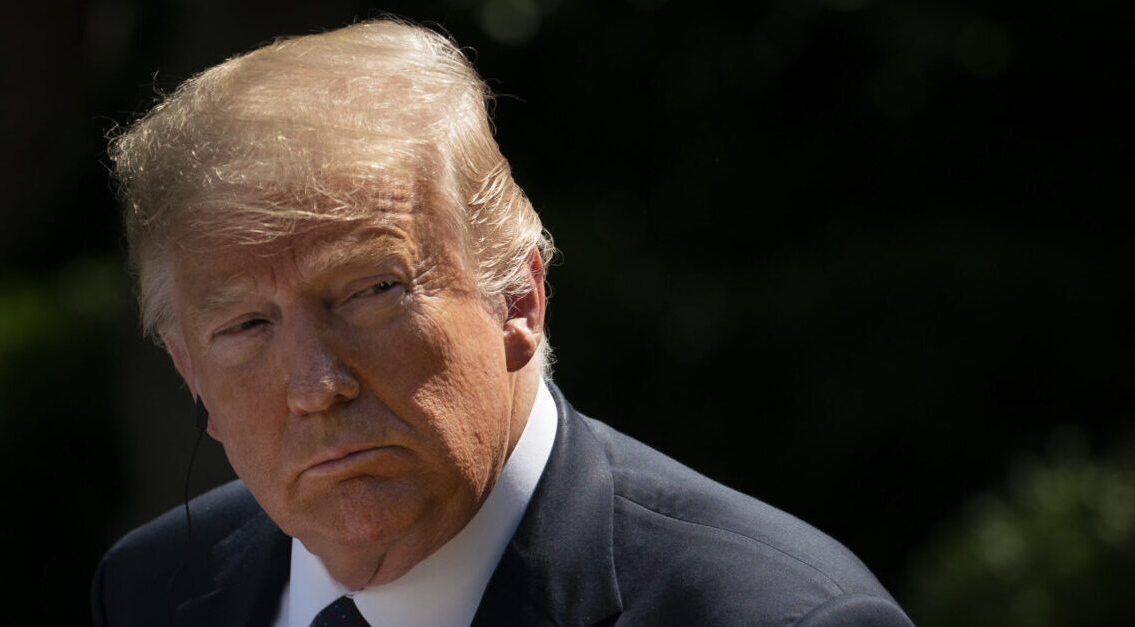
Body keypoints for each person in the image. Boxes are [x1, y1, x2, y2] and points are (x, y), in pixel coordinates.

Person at [92, 18, 914, 627]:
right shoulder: (151, 589)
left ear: (518, 296)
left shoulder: (778, 615)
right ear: (189, 370)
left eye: (371, 291)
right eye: (243, 326)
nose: (315, 385)